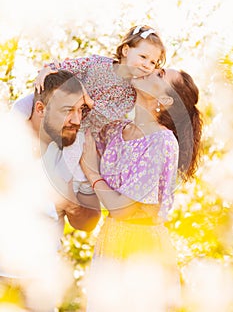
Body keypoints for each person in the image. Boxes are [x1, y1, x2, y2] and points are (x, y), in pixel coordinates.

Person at [80, 68, 203, 311]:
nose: (150, 69)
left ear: (165, 100)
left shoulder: (162, 142)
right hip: (111, 239)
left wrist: (92, 172)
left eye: (160, 75)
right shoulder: (116, 131)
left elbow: (122, 209)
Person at [9, 69, 101, 312]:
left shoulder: (73, 147)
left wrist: (69, 203)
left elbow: (89, 222)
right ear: (39, 109)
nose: (77, 120)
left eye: (80, 111)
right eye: (66, 111)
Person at [15, 25, 166, 136]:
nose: (147, 65)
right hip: (56, 102)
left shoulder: (131, 95)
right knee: (21, 107)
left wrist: (86, 98)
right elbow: (70, 66)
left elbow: (107, 116)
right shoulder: (98, 63)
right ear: (126, 51)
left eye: (153, 62)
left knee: (71, 156)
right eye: (143, 57)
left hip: (79, 127)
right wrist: (48, 69)